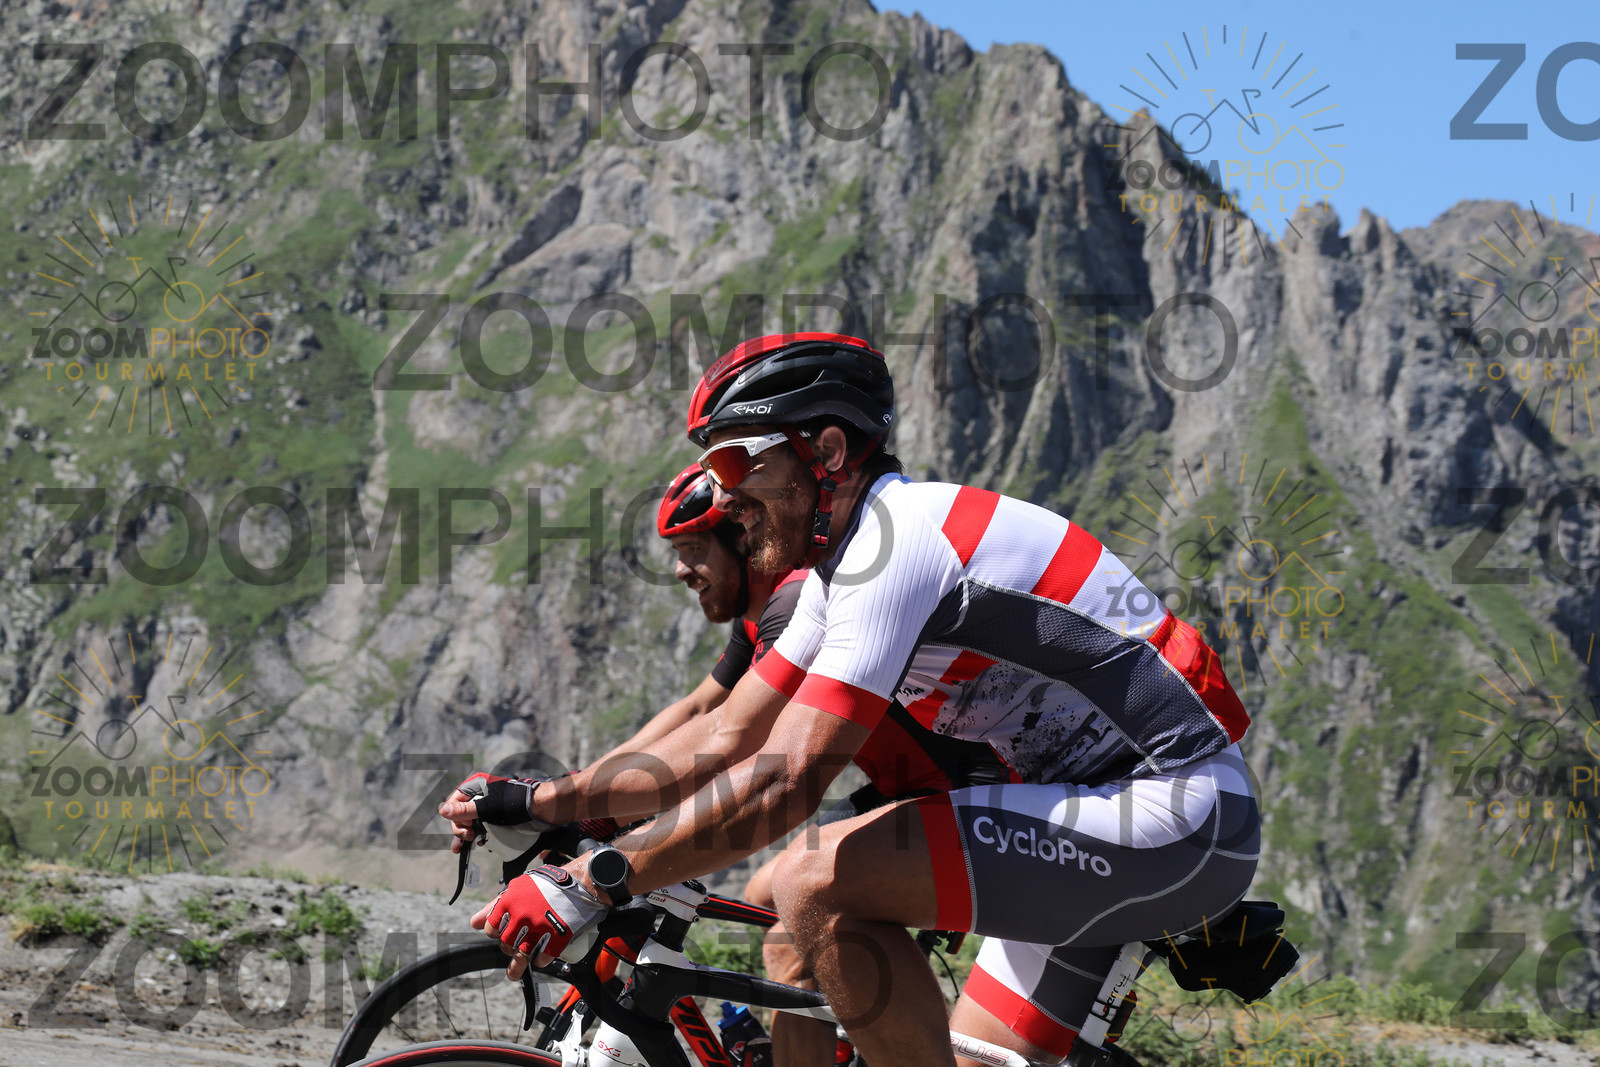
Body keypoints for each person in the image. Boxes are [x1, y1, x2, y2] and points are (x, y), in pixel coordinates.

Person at [462, 333, 1261, 1067]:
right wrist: (540, 800)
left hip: (1177, 812)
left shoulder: (898, 545)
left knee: (811, 879)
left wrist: (592, 880)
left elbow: (788, 779)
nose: (725, 497)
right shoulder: (838, 572)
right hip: (1095, 818)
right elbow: (724, 733)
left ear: (828, 451)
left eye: (736, 464)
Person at [444, 458, 1010, 1065]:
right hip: (905, 786)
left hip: (968, 794)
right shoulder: (762, 615)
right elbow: (698, 711)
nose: (680, 571)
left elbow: (743, 753)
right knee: (771, 899)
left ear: (743, 541)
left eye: (693, 550)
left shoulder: (794, 608)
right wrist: (578, 800)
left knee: (792, 928)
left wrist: (569, 812)